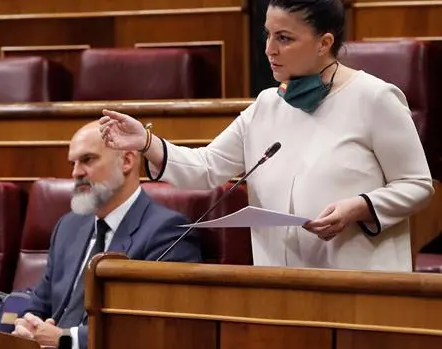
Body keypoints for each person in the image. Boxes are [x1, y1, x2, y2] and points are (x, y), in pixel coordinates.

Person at [99, 0, 433, 272]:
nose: (269, 49)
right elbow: (206, 168)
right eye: (268, 35)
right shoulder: (266, 105)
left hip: (359, 287)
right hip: (278, 287)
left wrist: (360, 206)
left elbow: (417, 185)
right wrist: (146, 142)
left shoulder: (374, 98)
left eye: (284, 38)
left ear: (324, 43)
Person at [12, 121, 202, 349]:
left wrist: (64, 341)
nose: (76, 172)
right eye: (73, 163)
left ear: (127, 160)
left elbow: (148, 333)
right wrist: (25, 326)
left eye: (87, 160)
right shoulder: (68, 227)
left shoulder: (166, 232)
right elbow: (40, 301)